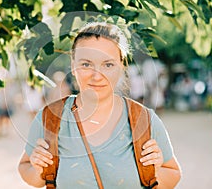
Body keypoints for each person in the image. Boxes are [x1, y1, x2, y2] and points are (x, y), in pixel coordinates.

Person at [18, 22, 181, 188]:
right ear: (73, 67)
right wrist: (39, 170)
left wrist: (156, 171)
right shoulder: (50, 118)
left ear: (122, 67)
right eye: (86, 64)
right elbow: (25, 168)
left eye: (108, 64)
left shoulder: (144, 120)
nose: (97, 76)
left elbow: (173, 174)